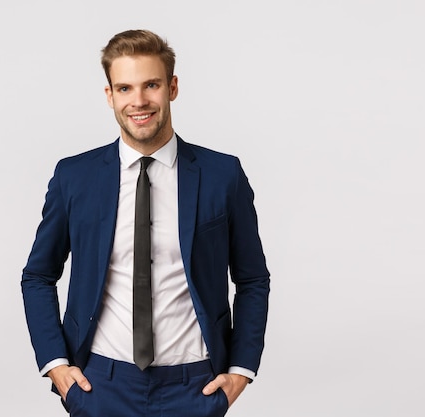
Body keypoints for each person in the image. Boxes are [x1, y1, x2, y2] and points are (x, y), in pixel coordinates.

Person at [21, 29, 270, 417]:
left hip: (195, 386)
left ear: (172, 87)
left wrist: (240, 371)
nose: (138, 101)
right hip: (100, 384)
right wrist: (55, 364)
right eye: (124, 88)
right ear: (110, 96)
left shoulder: (223, 175)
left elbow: (253, 278)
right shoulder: (74, 177)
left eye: (151, 85)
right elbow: (37, 275)